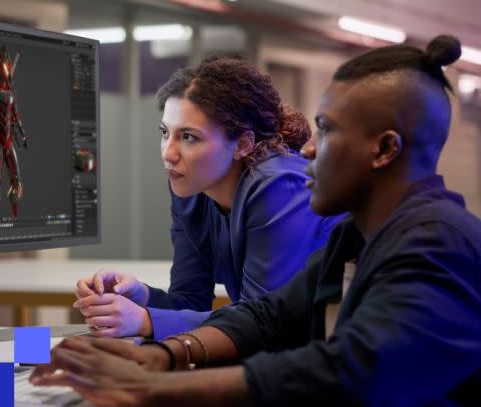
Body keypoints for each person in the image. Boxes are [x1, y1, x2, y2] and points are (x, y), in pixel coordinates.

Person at [32, 35, 481, 406]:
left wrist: (155, 386)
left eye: (327, 130)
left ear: (384, 150)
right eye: (167, 134)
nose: (307, 149)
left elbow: (352, 369)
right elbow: (267, 317)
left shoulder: (437, 240)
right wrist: (166, 356)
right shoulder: (355, 237)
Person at [74, 55, 339, 339]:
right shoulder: (192, 189)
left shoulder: (280, 186)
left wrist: (146, 321)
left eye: (188, 137)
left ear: (242, 144)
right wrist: (141, 296)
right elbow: (189, 300)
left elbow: (265, 323)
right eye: (166, 133)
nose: (168, 153)